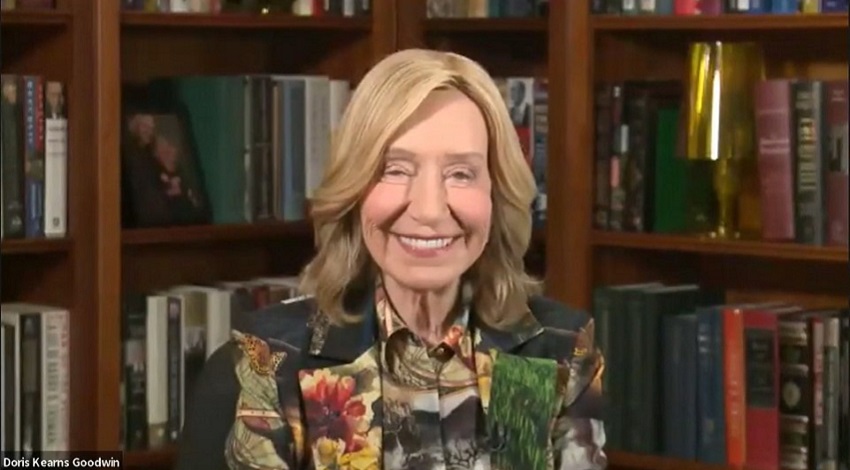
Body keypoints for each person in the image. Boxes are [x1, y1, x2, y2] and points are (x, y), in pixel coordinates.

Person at [175, 48, 607, 470]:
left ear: (497, 194)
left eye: (461, 173)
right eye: (395, 170)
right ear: (355, 190)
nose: (429, 209)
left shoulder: (561, 350)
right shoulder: (270, 362)